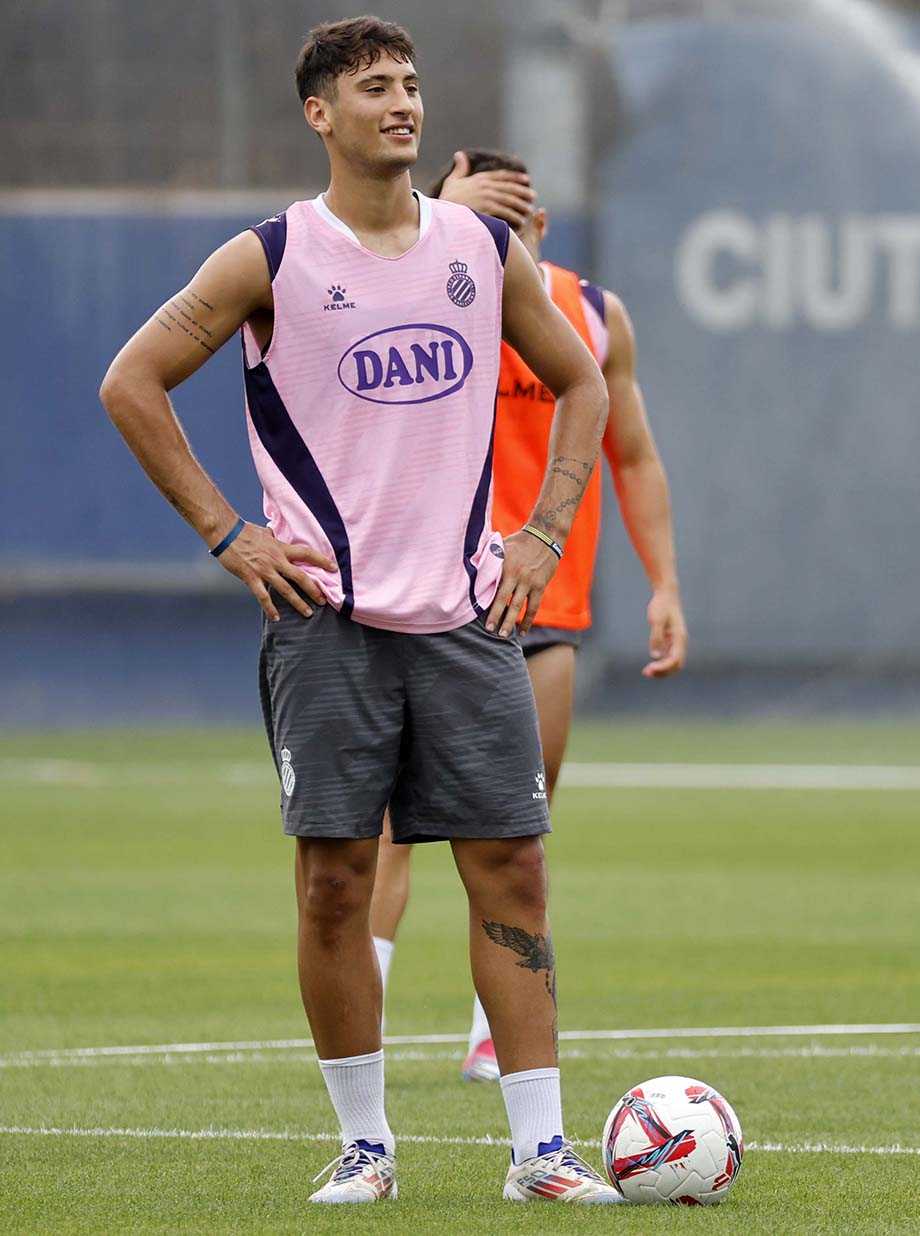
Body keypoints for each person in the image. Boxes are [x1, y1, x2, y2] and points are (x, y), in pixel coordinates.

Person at [99, 15, 621, 1207]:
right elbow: (132, 382)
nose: (403, 104)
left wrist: (542, 532)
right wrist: (228, 532)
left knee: (513, 870)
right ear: (319, 114)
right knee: (334, 881)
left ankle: (540, 1154)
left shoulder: (482, 248)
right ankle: (366, 1146)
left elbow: (583, 381)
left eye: (411, 84)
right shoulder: (272, 256)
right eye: (375, 87)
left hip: (468, 621)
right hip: (325, 624)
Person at [370, 149, 688, 1083]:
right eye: (477, 220)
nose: (496, 239)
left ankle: (489, 1034)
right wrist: (435, 213)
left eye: (512, 224)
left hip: (542, 604)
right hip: (423, 595)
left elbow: (633, 454)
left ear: (540, 226)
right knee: (382, 833)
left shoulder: (590, 314)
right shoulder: (420, 290)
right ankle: (365, 1020)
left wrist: (664, 583)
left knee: (515, 829)